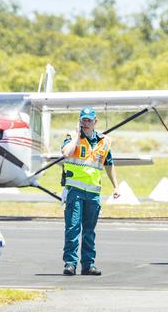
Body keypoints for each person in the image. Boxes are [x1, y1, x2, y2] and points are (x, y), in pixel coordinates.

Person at [61, 106, 120, 276]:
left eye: (88, 120)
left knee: (89, 230)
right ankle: (70, 263)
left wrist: (115, 186)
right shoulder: (72, 138)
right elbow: (66, 153)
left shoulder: (104, 142)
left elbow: (109, 164)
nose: (85, 123)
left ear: (95, 121)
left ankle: (88, 264)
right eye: (83, 120)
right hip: (75, 191)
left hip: (93, 193)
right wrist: (77, 136)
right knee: (72, 228)